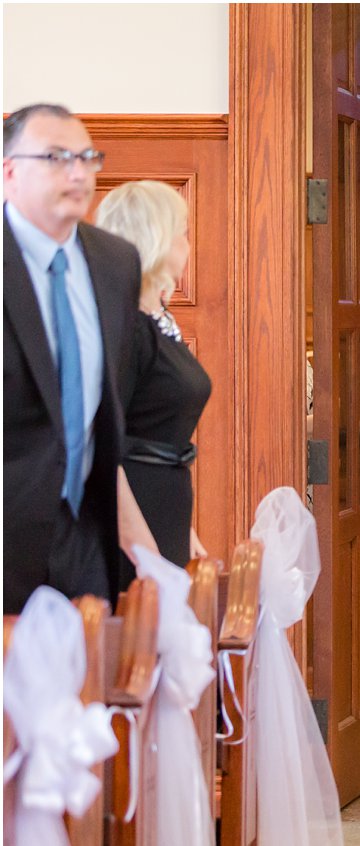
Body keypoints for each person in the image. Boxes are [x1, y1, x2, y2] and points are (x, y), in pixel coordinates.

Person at [3, 104, 140, 613]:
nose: (78, 172)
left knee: (91, 688)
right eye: (57, 158)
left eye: (87, 157)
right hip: (6, 538)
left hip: (86, 537)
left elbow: (108, 409)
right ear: (9, 170)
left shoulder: (114, 262)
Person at [95, 180, 213, 583]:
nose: (188, 246)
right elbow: (102, 447)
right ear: (158, 241)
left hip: (164, 505)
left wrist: (185, 530)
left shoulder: (158, 316)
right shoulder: (124, 324)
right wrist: (144, 553)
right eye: (183, 235)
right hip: (131, 521)